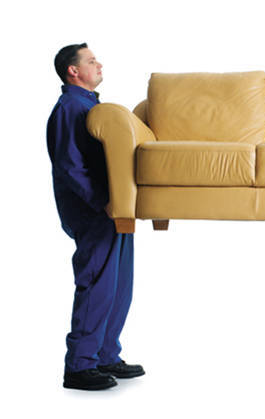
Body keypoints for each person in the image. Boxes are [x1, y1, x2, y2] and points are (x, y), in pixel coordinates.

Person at [47, 43, 145, 390]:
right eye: (91, 61)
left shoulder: (92, 106)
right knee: (97, 284)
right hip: (95, 211)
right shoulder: (70, 107)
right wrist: (102, 201)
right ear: (73, 71)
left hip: (115, 208)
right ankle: (79, 366)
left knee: (118, 285)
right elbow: (69, 165)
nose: (98, 64)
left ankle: (105, 355)